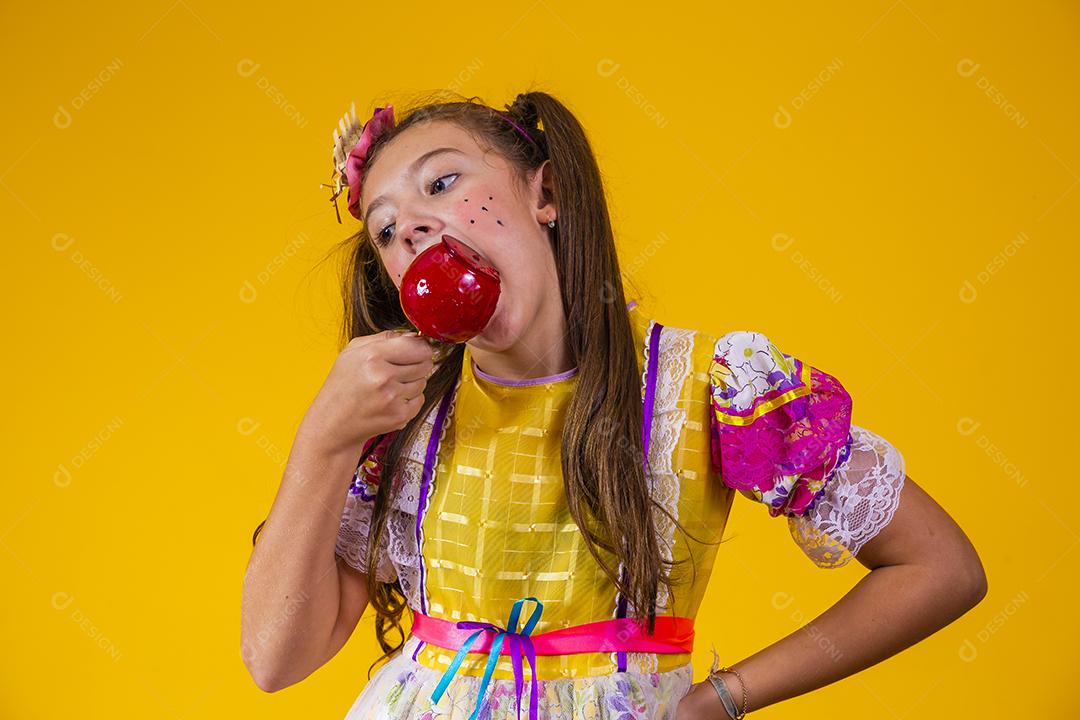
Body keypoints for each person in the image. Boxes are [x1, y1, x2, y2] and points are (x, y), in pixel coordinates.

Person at [240, 90, 987, 720]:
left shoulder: (709, 389)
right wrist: (324, 439)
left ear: (547, 194)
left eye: (442, 183)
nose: (413, 229)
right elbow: (275, 660)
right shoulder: (400, 424)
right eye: (387, 231)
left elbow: (939, 568)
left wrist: (721, 699)